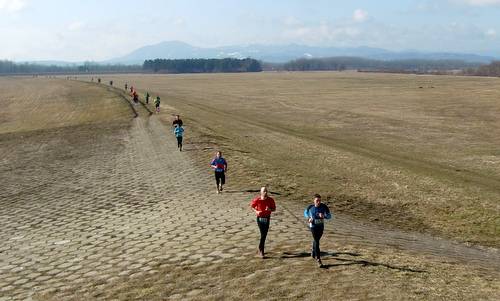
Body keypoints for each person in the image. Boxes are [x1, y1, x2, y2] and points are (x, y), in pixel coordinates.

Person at [303, 194, 332, 267]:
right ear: (314, 201)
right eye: (317, 201)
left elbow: (330, 216)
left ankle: (313, 250)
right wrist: (309, 218)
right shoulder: (310, 207)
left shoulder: (324, 207)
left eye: (319, 200)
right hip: (313, 227)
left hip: (321, 227)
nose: (318, 202)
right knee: (317, 241)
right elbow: (305, 213)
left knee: (316, 240)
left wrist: (324, 216)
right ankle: (318, 259)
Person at [250, 187, 276, 258]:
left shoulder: (270, 200)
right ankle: (262, 251)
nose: (265, 192)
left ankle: (260, 247)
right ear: (260, 192)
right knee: (263, 234)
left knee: (264, 234)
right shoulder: (257, 200)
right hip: (260, 218)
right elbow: (252, 206)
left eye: (266, 191)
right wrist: (256, 211)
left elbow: (274, 209)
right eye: (264, 191)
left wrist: (269, 209)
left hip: (267, 218)